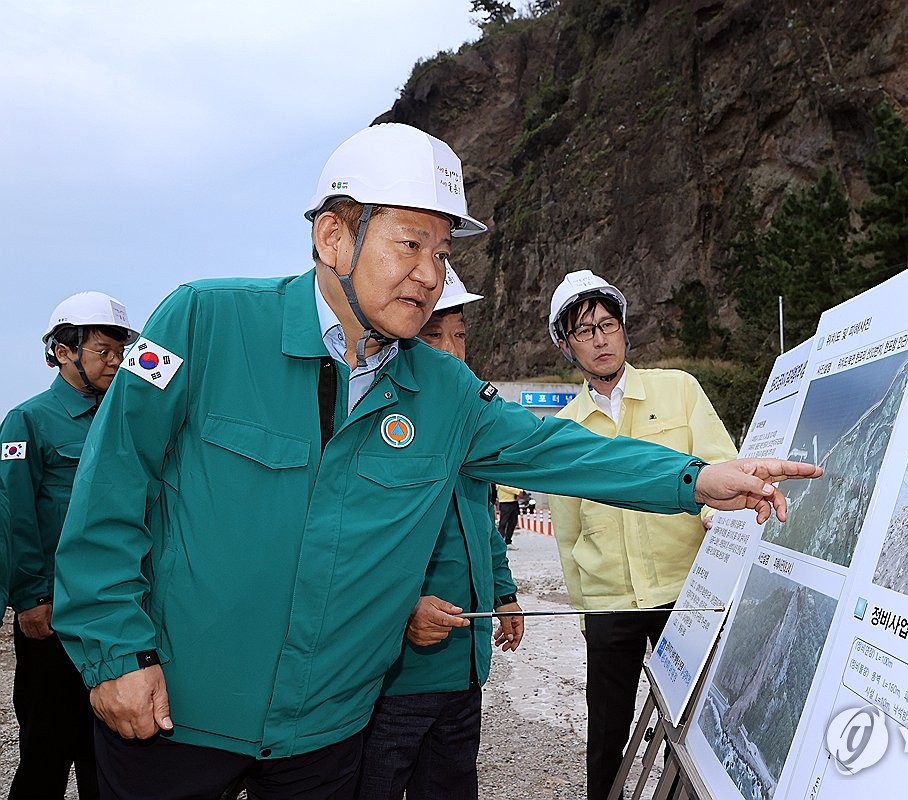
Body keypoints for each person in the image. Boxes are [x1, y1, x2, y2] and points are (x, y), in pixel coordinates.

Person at [50, 122, 822, 800]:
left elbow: (558, 450)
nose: (430, 273)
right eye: (410, 243)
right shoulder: (204, 321)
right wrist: (116, 652)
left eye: (442, 250)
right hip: (174, 716)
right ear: (333, 238)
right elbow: (111, 490)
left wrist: (695, 479)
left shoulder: (442, 389)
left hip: (326, 740)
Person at [545, 269, 740, 800]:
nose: (601, 338)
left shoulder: (679, 389)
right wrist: (586, 609)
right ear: (567, 345)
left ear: (625, 329)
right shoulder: (564, 429)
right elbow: (567, 534)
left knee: (700, 722)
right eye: (585, 331)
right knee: (606, 730)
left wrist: (714, 515)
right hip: (610, 603)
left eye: (608, 324)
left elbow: (723, 466)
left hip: (684, 595)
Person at [356, 265, 523, 799]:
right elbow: (345, 546)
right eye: (435, 335)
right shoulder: (371, 420)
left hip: (463, 670)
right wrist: (401, 608)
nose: (452, 351)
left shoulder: (469, 422)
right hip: (394, 678)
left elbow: (484, 528)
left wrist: (505, 593)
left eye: (460, 335)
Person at [0, 291, 138, 800]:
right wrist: (32, 597)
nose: (116, 361)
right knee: (47, 751)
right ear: (63, 352)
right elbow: (14, 514)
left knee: (108, 751)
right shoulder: (28, 421)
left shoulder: (124, 415)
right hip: (54, 610)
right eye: (104, 350)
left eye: (120, 350)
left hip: (113, 611)